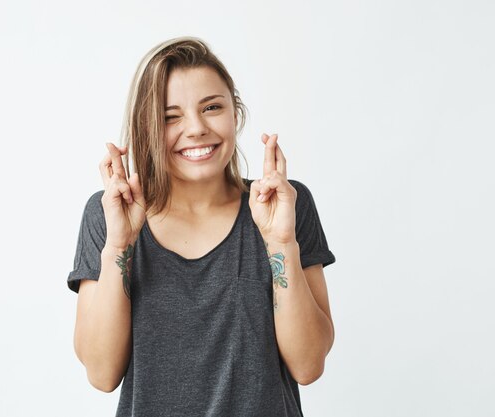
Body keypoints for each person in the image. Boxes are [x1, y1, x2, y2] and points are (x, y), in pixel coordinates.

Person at [67, 36, 336, 417]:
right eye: (170, 116)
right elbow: (101, 373)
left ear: (235, 112)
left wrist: (281, 244)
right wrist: (119, 246)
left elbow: (309, 366)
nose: (196, 129)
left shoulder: (285, 205)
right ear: (146, 127)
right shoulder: (109, 213)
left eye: (211, 107)